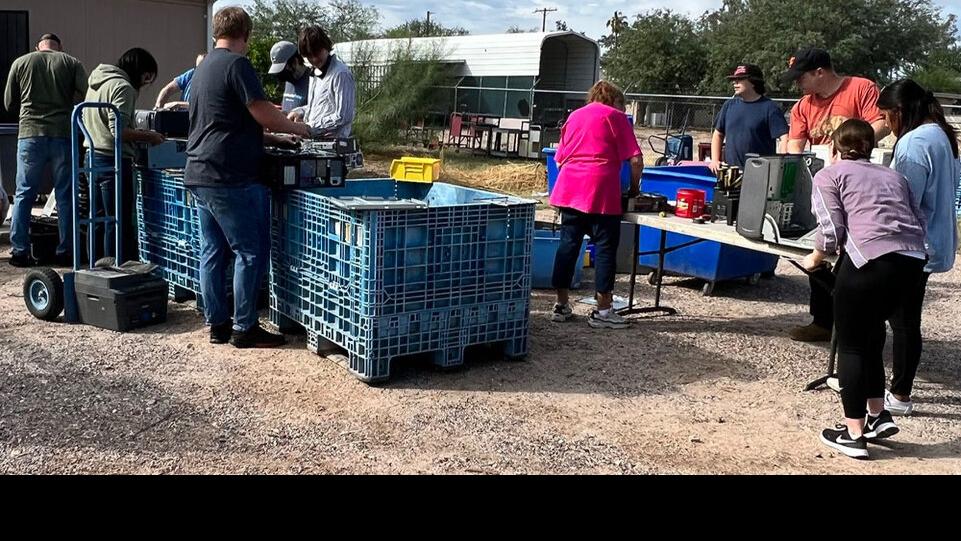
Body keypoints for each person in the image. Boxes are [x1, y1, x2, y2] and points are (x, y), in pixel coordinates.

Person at [185, 7, 310, 349]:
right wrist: (299, 128)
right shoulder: (237, 65)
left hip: (200, 171)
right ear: (246, 35)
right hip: (229, 176)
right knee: (249, 251)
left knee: (212, 252)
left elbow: (225, 121)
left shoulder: (204, 67)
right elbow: (261, 112)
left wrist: (272, 138)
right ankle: (245, 327)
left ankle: (218, 324)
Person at [804, 119, 926, 460]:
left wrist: (815, 258)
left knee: (853, 345)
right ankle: (877, 413)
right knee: (872, 337)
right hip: (912, 261)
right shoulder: (894, 176)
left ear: (833, 148)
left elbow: (831, 225)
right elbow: (918, 218)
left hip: (870, 260)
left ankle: (853, 433)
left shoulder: (830, 174)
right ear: (870, 148)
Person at [781, 46, 890, 343]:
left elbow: (881, 123)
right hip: (822, 183)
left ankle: (853, 324)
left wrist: (851, 149)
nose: (797, 83)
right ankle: (823, 320)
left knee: (852, 253)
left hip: (857, 186)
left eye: (800, 77)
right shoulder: (803, 105)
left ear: (820, 72)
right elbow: (795, 143)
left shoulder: (860, 87)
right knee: (818, 246)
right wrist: (799, 168)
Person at [876, 79, 961, 416]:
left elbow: (903, 198)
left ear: (899, 111)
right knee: (907, 319)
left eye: (886, 116)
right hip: (932, 239)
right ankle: (901, 391)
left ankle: (899, 395)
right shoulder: (942, 134)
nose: (885, 124)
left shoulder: (913, 143)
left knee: (902, 321)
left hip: (910, 244)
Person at [548, 80, 643, 330]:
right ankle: (603, 310)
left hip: (569, 188)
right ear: (615, 101)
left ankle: (560, 304)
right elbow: (635, 160)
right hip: (601, 191)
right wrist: (634, 188)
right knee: (604, 249)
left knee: (568, 246)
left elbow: (559, 160)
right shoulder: (616, 116)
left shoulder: (574, 116)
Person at [4, 33, 87, 267]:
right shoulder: (71, 62)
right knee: (65, 195)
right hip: (62, 134)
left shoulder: (21, 63)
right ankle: (66, 251)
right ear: (59, 47)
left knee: (24, 194)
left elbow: (8, 101)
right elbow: (88, 94)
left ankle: (20, 251)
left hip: (30, 134)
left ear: (37, 47)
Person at [84, 48, 166, 262]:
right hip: (113, 159)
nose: (148, 82)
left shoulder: (98, 82)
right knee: (117, 219)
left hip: (91, 155)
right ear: (142, 72)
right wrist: (150, 136)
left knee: (98, 218)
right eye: (148, 77)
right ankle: (115, 268)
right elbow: (118, 131)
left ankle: (95, 266)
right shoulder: (123, 87)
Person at [709, 64, 788, 172]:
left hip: (760, 174)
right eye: (734, 79)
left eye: (740, 79)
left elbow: (784, 137)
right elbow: (718, 134)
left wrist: (781, 166)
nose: (735, 82)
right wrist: (715, 160)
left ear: (753, 81)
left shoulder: (770, 108)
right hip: (731, 173)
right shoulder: (729, 105)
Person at [289, 26, 356, 138]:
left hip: (334, 145)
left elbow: (343, 116)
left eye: (317, 53)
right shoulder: (315, 72)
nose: (314, 59)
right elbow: (321, 108)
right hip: (314, 141)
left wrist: (310, 127)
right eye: (309, 56)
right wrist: (300, 111)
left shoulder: (340, 74)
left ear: (325, 46)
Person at [267, 41, 310, 113]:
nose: (282, 74)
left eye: (283, 69)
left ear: (295, 61)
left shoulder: (313, 80)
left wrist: (301, 113)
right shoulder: (290, 79)